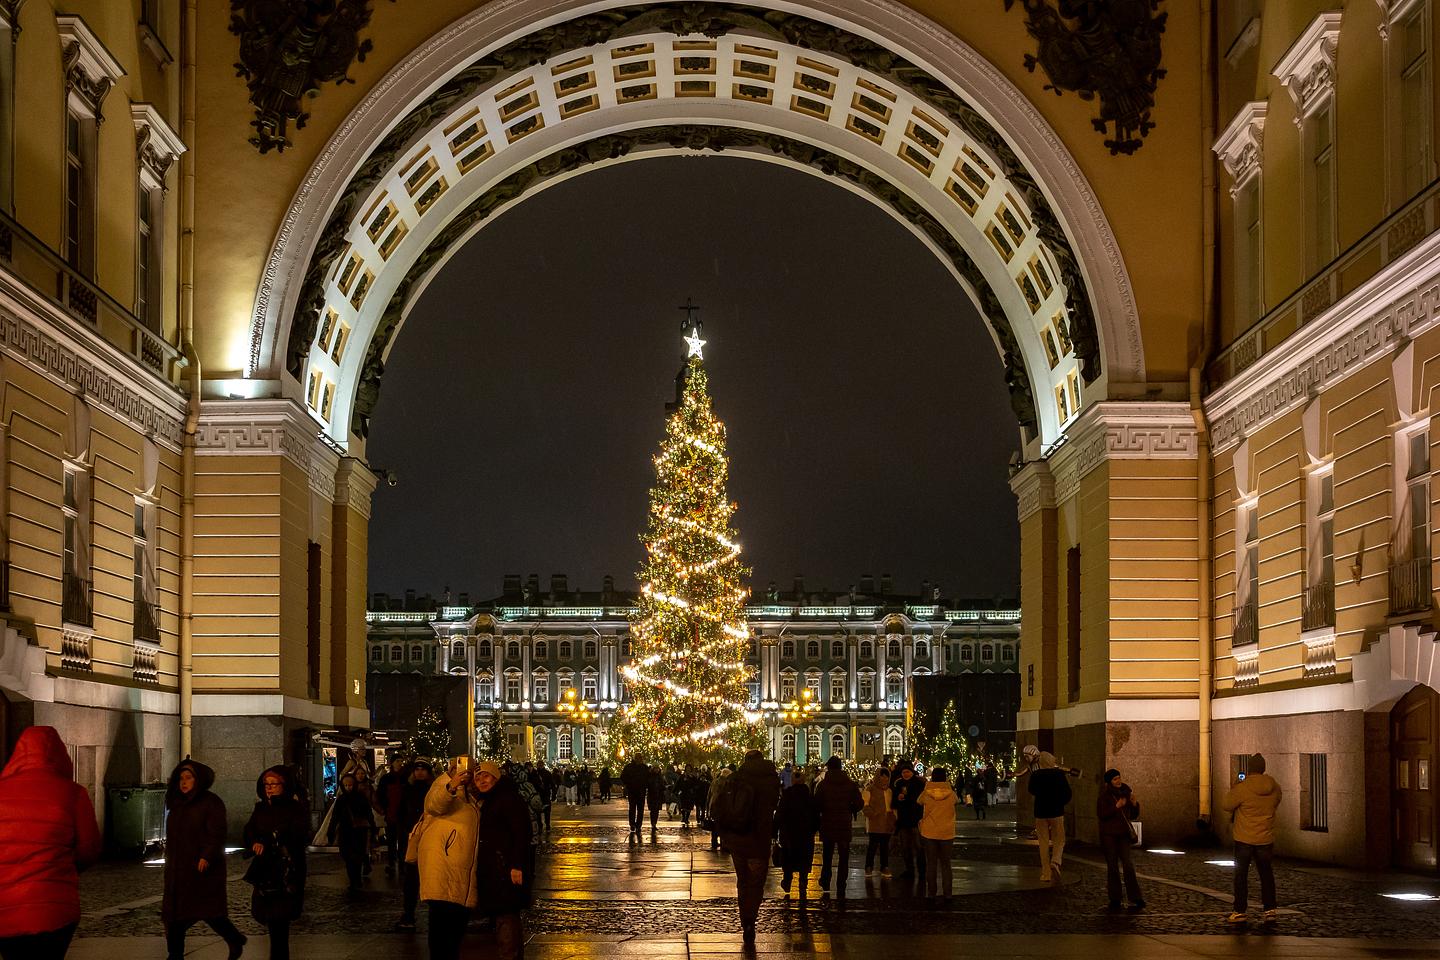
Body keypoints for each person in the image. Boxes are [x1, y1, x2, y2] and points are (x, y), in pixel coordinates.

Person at [0, 726, 102, 960]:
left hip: (5, 909)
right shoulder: (72, 793)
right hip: (54, 908)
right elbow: (89, 849)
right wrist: (63, 868)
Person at [162, 758, 247, 960]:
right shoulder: (176, 803)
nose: (184, 782)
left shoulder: (210, 802)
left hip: (202, 870)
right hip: (178, 869)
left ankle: (234, 938)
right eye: (181, 778)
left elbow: (216, 832)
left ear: (198, 779)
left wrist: (206, 856)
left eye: (188, 778)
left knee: (210, 913)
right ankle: (175, 954)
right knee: (174, 917)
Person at [416, 760, 483, 960]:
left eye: (467, 770)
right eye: (457, 768)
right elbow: (434, 804)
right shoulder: (443, 785)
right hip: (443, 868)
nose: (463, 773)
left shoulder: (469, 794)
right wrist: (452, 784)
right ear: (450, 769)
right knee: (442, 926)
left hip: (459, 870)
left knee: (454, 927)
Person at [242, 766, 309, 960]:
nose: (269, 788)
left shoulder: (295, 808)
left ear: (284, 785)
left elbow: (297, 834)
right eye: (266, 784)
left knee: (280, 924)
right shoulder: (261, 808)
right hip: (265, 871)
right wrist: (254, 841)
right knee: (269, 919)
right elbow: (249, 831)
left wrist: (272, 839)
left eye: (274, 784)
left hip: (286, 870)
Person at [717, 749, 780, 944]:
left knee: (742, 881)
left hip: (739, 839)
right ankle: (751, 919)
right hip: (760, 839)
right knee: (756, 883)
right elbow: (775, 804)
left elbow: (722, 806)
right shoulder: (772, 779)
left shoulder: (736, 778)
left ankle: (745, 920)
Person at [474, 761, 532, 960]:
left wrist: (517, 865)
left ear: (496, 777)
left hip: (505, 868)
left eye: (486, 776)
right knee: (506, 916)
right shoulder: (490, 799)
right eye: (478, 777)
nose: (481, 781)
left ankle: (510, 956)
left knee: (505, 915)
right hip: (496, 867)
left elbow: (521, 833)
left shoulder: (506, 799)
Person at [1221, 753, 1283, 925]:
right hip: (1265, 838)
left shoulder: (1243, 787)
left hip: (1244, 838)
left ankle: (1240, 910)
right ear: (1263, 768)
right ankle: (1270, 910)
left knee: (1241, 875)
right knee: (1266, 875)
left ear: (1249, 768)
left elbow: (1226, 805)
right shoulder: (1274, 786)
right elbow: (1277, 800)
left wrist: (1235, 786)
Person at [813, 756, 863, 897]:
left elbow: (816, 804)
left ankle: (826, 881)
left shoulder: (823, 785)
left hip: (828, 824)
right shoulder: (850, 784)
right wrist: (851, 809)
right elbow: (859, 803)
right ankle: (841, 883)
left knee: (827, 855)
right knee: (844, 857)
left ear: (829, 767)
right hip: (844, 824)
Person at [1096, 768, 1144, 912]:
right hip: (1109, 835)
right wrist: (1116, 807)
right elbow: (1102, 814)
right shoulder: (1104, 796)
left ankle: (1135, 897)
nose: (1118, 781)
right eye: (1115, 779)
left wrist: (1135, 805)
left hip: (1123, 834)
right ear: (1109, 782)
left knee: (1128, 864)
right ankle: (1115, 898)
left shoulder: (1126, 793)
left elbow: (1133, 815)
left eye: (1119, 778)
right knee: (1112, 866)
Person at [395, 760, 435, 930]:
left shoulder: (433, 791)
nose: (419, 772)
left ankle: (433, 914)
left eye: (423, 769)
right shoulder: (407, 790)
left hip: (431, 839)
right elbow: (401, 813)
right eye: (416, 769)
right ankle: (409, 913)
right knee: (411, 880)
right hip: (412, 838)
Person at [327, 772, 375, 892]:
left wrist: (373, 828)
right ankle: (353, 879)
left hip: (359, 832)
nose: (349, 787)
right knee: (348, 857)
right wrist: (331, 831)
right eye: (346, 785)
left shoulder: (360, 798)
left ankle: (356, 880)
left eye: (351, 785)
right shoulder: (341, 800)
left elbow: (368, 814)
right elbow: (335, 816)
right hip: (346, 831)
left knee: (356, 857)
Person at [1028, 752, 1071, 882]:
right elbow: (1067, 793)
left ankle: (1046, 873)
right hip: (1056, 811)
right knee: (1059, 839)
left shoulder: (1035, 775)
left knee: (1043, 843)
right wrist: (1061, 802)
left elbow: (1031, 790)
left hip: (1040, 812)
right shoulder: (1059, 775)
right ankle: (1056, 861)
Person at [774, 768, 817, 900]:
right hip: (805, 835)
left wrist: (774, 831)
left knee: (788, 859)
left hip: (788, 834)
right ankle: (803, 881)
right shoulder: (809, 797)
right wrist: (813, 830)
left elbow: (779, 815)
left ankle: (787, 881)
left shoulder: (786, 795)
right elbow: (816, 817)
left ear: (792, 781)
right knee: (804, 859)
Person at [917, 767, 958, 897]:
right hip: (947, 832)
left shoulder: (926, 793)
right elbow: (956, 801)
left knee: (932, 863)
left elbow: (919, 801)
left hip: (929, 832)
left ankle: (931, 892)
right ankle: (948, 893)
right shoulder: (951, 794)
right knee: (946, 864)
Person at [890, 760, 926, 885]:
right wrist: (897, 799)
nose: (905, 774)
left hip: (916, 819)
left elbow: (919, 800)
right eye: (903, 772)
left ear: (912, 772)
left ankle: (922, 871)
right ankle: (909, 869)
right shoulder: (898, 783)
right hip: (903, 820)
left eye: (907, 772)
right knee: (905, 847)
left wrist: (905, 799)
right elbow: (894, 800)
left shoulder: (919, 783)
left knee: (919, 847)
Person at [375, 756, 409, 876]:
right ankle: (391, 862)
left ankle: (401, 861)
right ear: (392, 763)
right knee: (392, 839)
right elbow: (380, 794)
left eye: (401, 761)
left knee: (403, 839)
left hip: (403, 814)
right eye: (397, 761)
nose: (400, 763)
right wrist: (384, 808)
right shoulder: (386, 778)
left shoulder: (406, 778)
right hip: (391, 813)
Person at [862, 768, 894, 877]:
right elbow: (865, 805)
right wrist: (872, 814)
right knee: (873, 845)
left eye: (886, 776)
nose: (884, 778)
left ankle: (884, 866)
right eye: (882, 776)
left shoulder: (889, 791)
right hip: (874, 822)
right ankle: (868, 866)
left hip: (887, 821)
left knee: (885, 846)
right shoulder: (870, 789)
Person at [707, 764, 734, 851]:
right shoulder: (727, 783)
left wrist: (708, 807)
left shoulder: (715, 782)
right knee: (723, 826)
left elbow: (709, 795)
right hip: (723, 808)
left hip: (714, 806)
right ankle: (724, 843)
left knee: (715, 826)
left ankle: (714, 842)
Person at [621, 756, 649, 837]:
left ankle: (638, 825)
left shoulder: (644, 768)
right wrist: (629, 784)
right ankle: (633, 824)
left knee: (639, 809)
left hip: (640, 791)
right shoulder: (630, 767)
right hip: (633, 791)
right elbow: (623, 777)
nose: (639, 760)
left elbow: (648, 778)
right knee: (633, 808)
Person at [645, 764, 666, 837]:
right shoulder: (650, 776)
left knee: (656, 811)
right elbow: (648, 784)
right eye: (655, 768)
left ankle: (654, 823)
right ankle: (653, 823)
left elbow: (663, 785)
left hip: (658, 796)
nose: (656, 770)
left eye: (657, 768)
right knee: (653, 811)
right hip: (652, 796)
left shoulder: (660, 777)